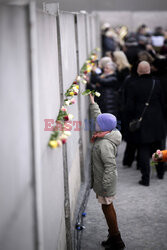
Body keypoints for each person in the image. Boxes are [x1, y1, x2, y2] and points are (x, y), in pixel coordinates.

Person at [89, 94, 125, 250]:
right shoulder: (106, 132)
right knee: (106, 207)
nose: (95, 123)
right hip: (103, 181)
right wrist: (93, 103)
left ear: (102, 127)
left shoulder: (104, 144)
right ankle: (113, 236)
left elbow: (111, 166)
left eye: (97, 123)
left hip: (106, 182)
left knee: (107, 207)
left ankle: (116, 239)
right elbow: (99, 117)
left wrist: (104, 186)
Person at [125, 61, 166, 186]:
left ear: (138, 70)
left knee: (143, 149)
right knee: (158, 148)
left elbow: (129, 106)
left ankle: (145, 178)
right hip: (157, 121)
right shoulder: (157, 83)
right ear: (149, 70)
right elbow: (163, 103)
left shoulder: (133, 85)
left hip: (141, 121)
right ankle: (160, 173)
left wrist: (130, 119)